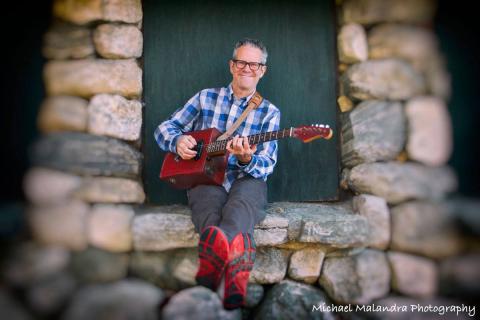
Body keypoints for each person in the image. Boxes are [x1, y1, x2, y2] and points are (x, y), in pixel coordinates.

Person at [154, 38, 280, 309]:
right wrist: (177, 141)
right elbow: (165, 128)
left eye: (254, 64)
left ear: (263, 70)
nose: (247, 68)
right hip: (205, 177)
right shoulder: (205, 97)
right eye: (241, 62)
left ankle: (213, 269)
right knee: (206, 202)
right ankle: (236, 270)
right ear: (231, 66)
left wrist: (247, 158)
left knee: (243, 202)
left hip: (246, 178)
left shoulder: (270, 113)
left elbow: (267, 164)